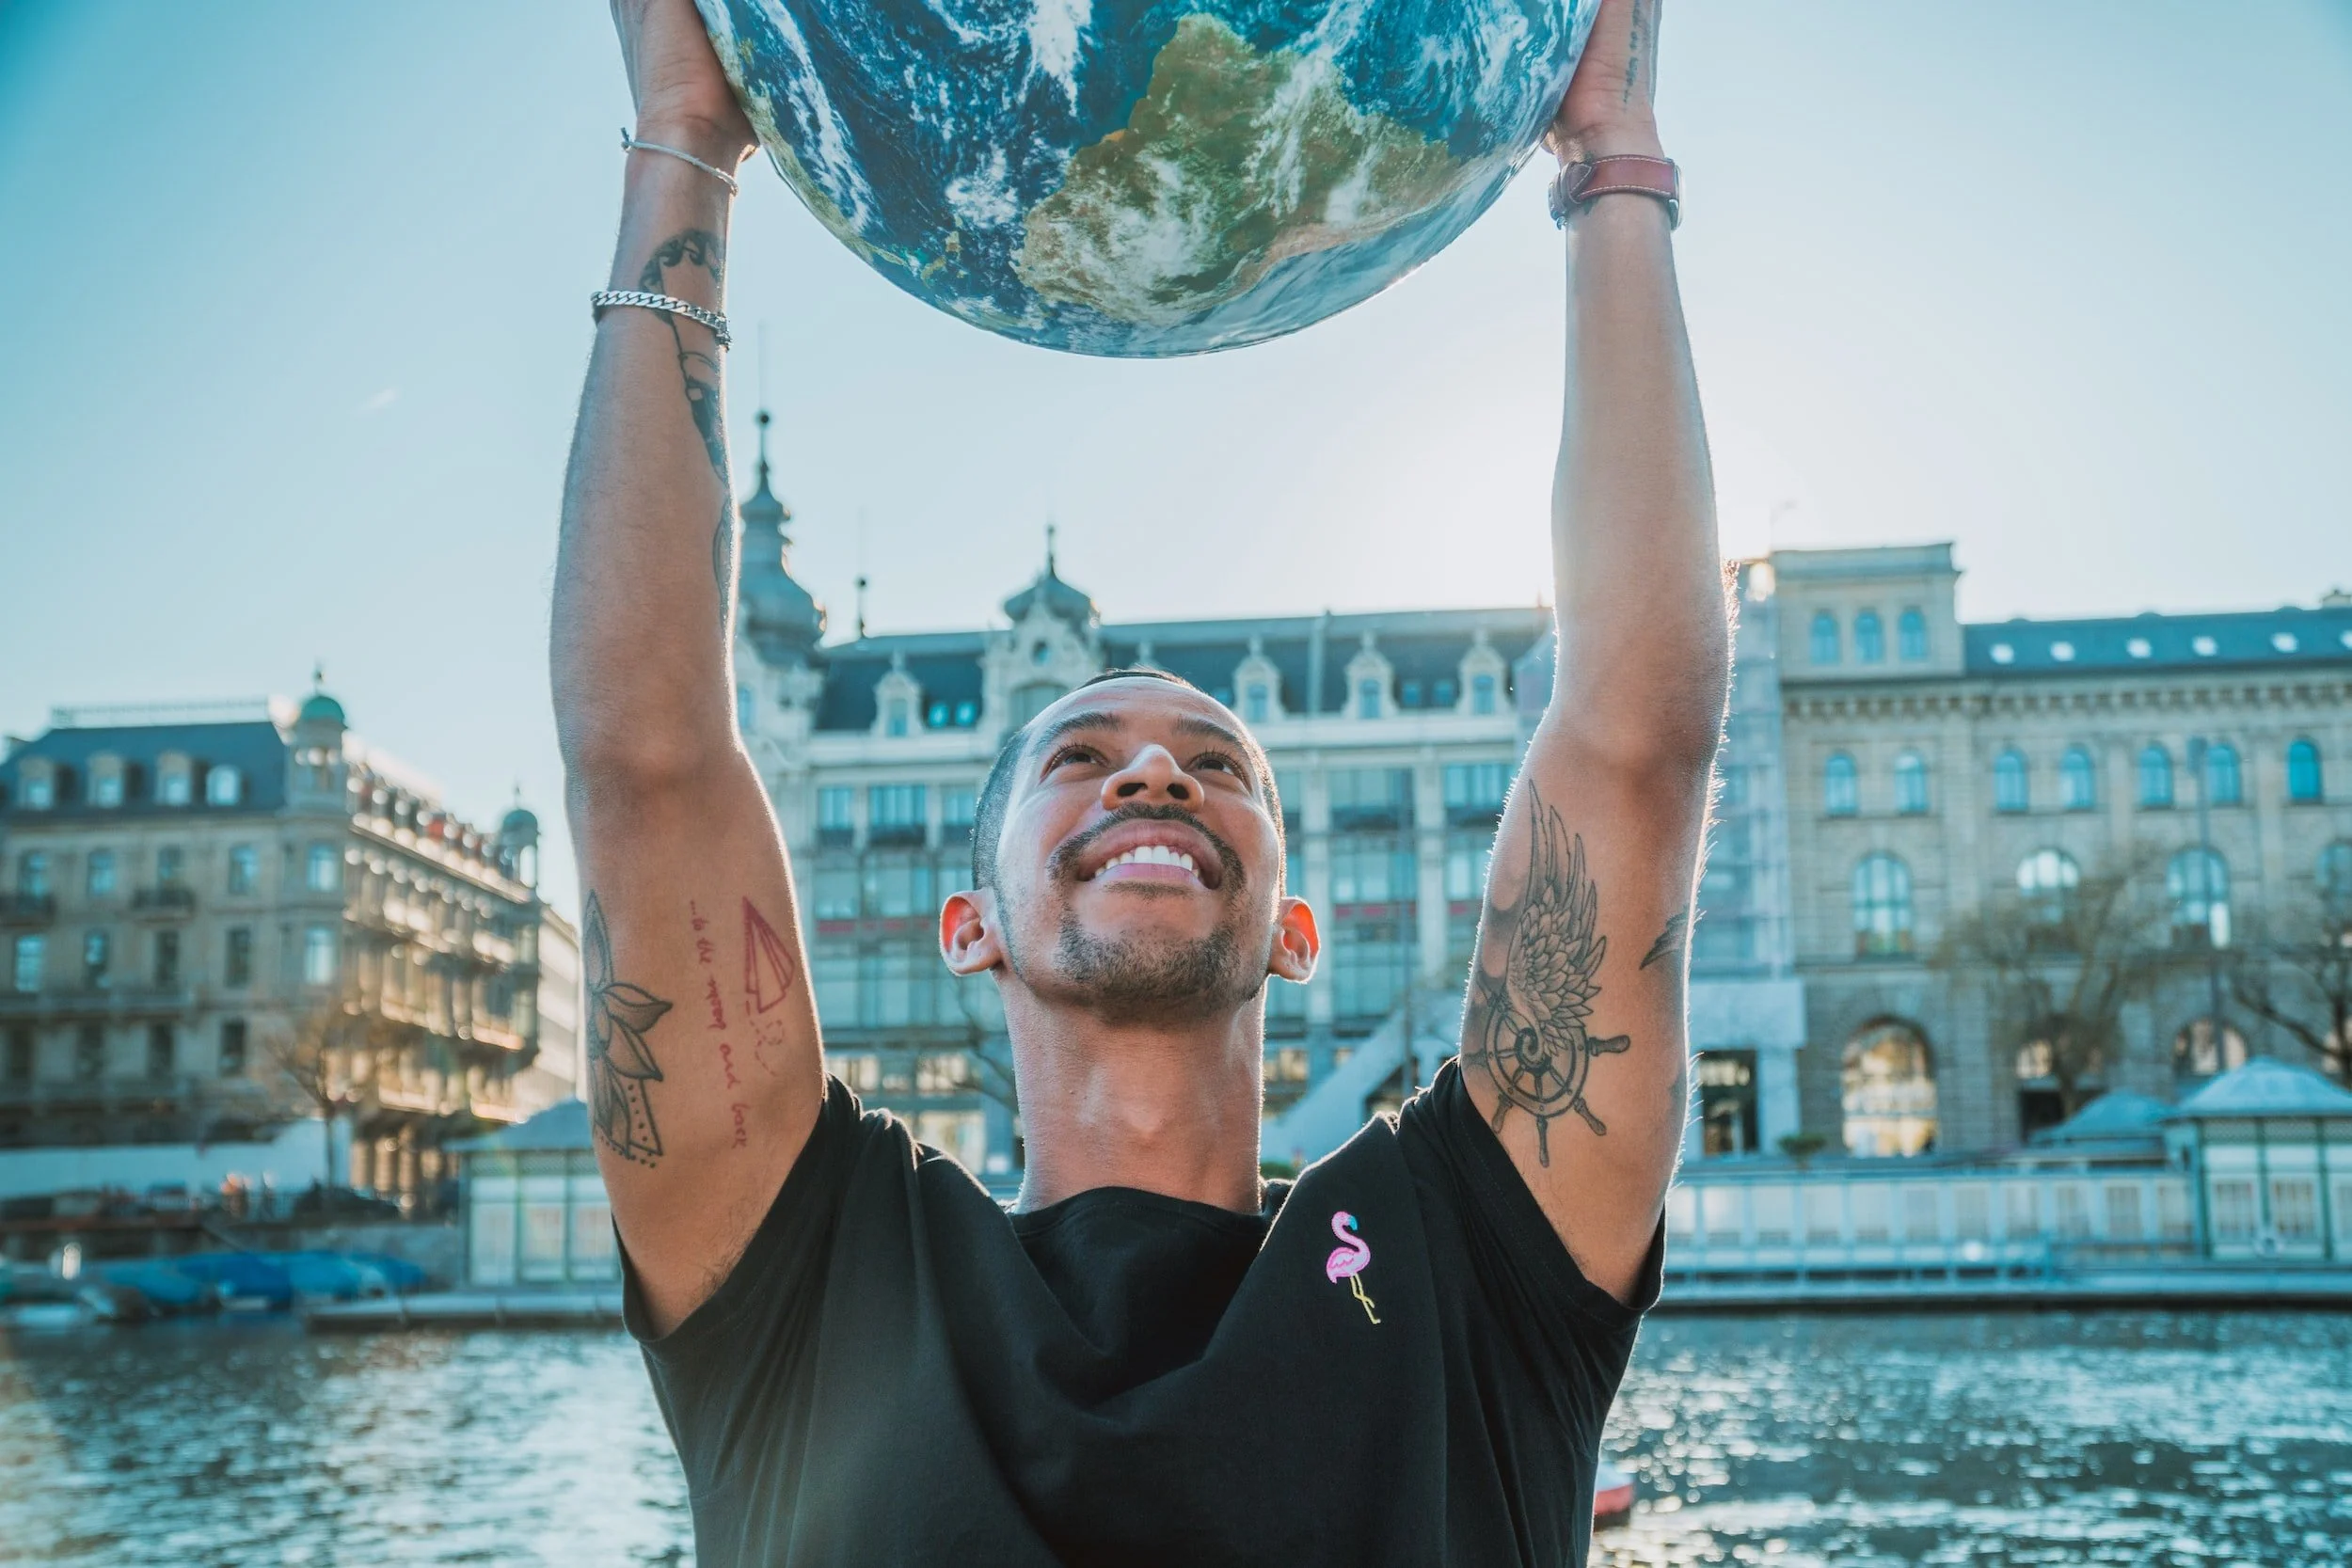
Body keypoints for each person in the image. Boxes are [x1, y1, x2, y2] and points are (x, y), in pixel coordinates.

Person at [556, 0, 1724, 1560]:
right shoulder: (824, 1273)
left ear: (1296, 927)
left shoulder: (1470, 1262)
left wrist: (1617, 165)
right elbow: (645, 762)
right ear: (965, 922)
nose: (1156, 771)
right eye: (1080, 755)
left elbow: (1637, 747)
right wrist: (683, 147)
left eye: (1219, 763)